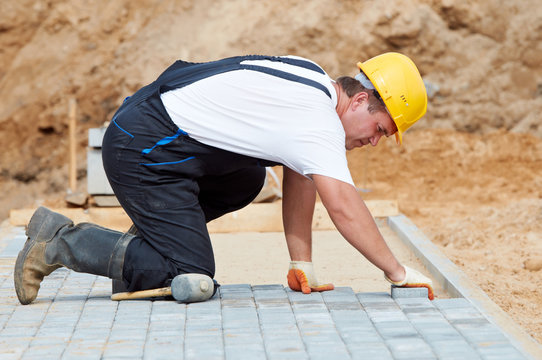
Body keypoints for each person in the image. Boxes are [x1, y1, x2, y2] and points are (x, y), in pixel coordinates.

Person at [14, 53, 434, 305]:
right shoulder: (318, 120)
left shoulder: (314, 82)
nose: (374, 142)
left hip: (154, 136)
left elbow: (300, 173)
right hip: (142, 148)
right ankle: (60, 241)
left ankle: (144, 245)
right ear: (360, 100)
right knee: (190, 274)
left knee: (248, 178)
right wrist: (398, 273)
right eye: (380, 129)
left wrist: (300, 263)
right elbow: (343, 206)